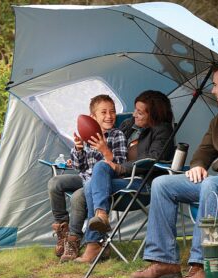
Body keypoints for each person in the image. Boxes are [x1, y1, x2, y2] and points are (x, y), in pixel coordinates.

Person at [129, 61, 218, 278]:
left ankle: (202, 266)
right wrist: (198, 165)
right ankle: (164, 262)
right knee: (162, 184)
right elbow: (204, 151)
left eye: (215, 84)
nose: (212, 90)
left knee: (210, 185)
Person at [75, 90, 175, 263]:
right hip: (120, 179)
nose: (134, 114)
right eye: (135, 109)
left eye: (140, 112)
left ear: (153, 114)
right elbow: (112, 146)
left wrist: (121, 168)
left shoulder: (163, 131)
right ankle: (101, 216)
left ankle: (94, 243)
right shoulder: (129, 125)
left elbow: (152, 160)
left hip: (142, 184)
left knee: (92, 185)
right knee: (99, 169)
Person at [48, 94, 127, 262]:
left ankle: (74, 240)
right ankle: (63, 231)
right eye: (103, 112)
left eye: (112, 112)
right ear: (93, 117)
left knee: (77, 196)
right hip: (84, 177)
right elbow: (79, 166)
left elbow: (121, 167)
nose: (109, 116)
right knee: (55, 183)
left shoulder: (117, 135)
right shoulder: (87, 135)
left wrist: (105, 150)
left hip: (100, 182)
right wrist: (78, 149)